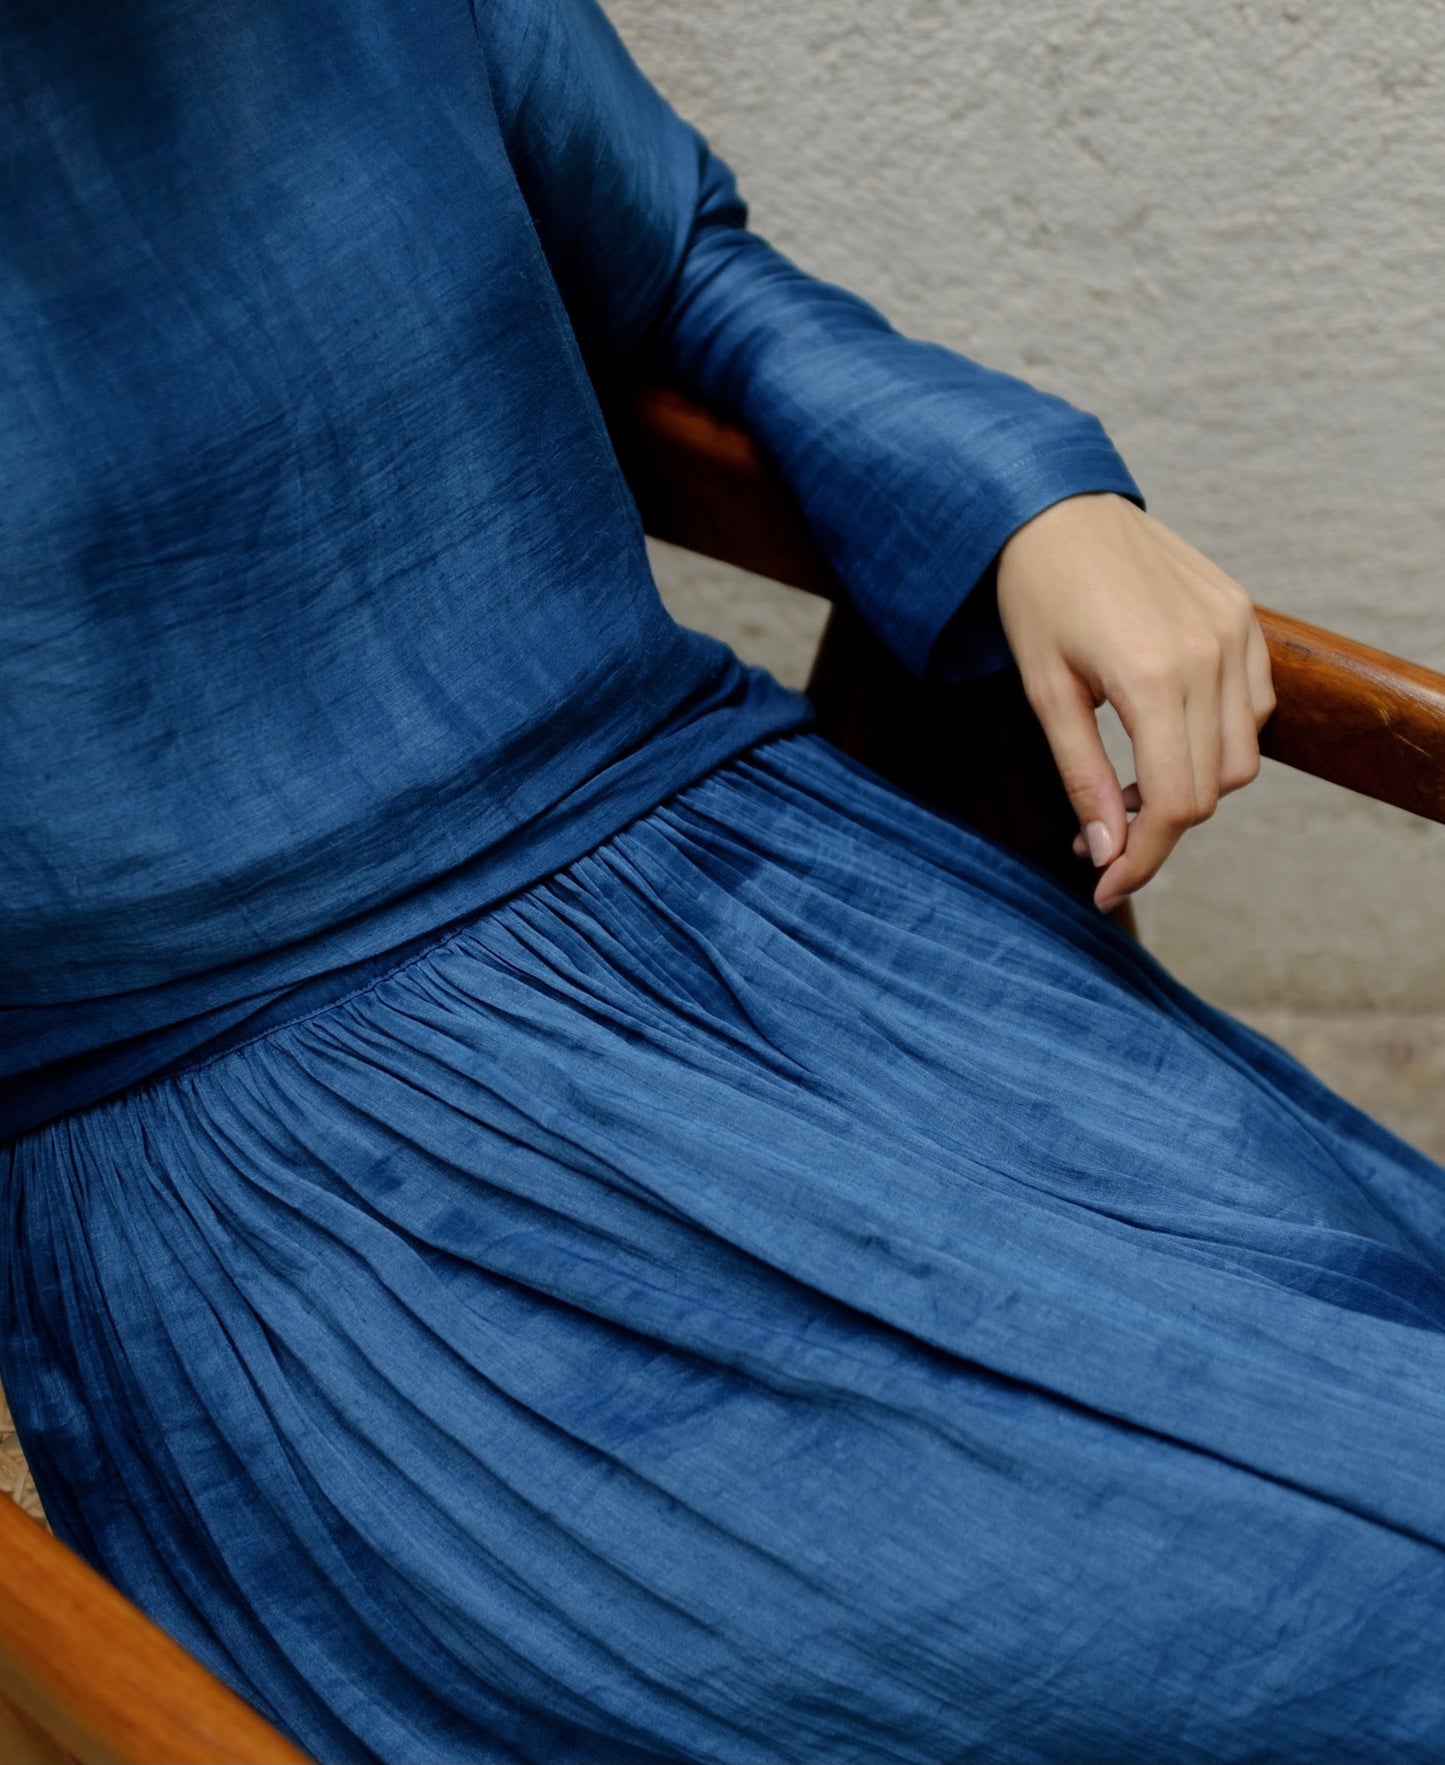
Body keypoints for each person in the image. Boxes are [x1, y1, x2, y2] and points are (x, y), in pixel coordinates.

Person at [2, 1, 1442, 1760]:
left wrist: (1027, 502)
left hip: (752, 896)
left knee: (1376, 1375)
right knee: (1225, 1646)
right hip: (263, 1173)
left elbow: (681, 270)